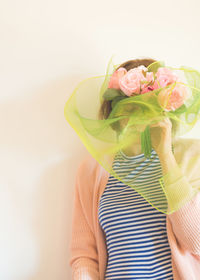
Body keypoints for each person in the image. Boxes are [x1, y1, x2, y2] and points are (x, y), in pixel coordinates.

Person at [68, 58, 200, 279]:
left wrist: (165, 154)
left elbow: (196, 240)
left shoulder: (192, 157)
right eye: (132, 107)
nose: (142, 116)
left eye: (150, 106)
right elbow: (84, 256)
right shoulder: (92, 170)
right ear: (114, 114)